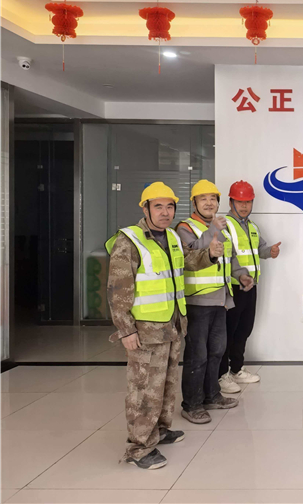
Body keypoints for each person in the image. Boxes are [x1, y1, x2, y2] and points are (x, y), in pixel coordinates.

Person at [106, 182, 222, 469]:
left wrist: (210, 254)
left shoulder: (171, 237)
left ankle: (159, 430)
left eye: (170, 206)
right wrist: (126, 329)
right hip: (145, 331)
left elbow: (188, 261)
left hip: (171, 326)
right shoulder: (129, 240)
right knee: (144, 390)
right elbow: (118, 290)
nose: (165, 212)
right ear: (145, 209)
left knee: (166, 385)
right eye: (158, 206)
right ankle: (139, 448)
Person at [176, 180, 254, 424]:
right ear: (194, 203)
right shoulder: (185, 228)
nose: (209, 203)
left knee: (216, 352)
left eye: (213, 199)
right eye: (203, 199)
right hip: (197, 302)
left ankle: (211, 396)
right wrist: (212, 230)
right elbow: (191, 254)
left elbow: (230, 258)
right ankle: (192, 404)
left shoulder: (222, 228)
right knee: (197, 355)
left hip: (221, 300)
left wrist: (241, 275)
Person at [218, 180, 281, 393]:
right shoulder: (225, 225)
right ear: (231, 202)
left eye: (248, 202)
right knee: (228, 332)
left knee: (244, 329)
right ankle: (221, 375)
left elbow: (259, 249)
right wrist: (241, 276)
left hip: (251, 286)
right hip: (233, 287)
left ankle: (236, 369)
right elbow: (227, 256)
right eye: (239, 201)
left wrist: (270, 251)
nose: (244, 206)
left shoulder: (252, 227)